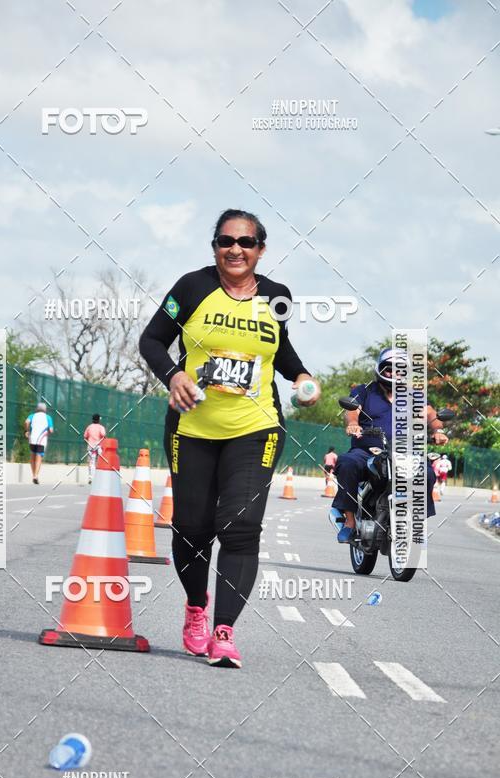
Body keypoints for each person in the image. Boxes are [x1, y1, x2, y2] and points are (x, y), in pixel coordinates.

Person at [139, 208, 319, 668]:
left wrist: (300, 376)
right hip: (192, 428)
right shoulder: (191, 288)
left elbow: (280, 349)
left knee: (240, 527)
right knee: (194, 529)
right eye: (225, 241)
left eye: (245, 242)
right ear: (214, 246)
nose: (234, 249)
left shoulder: (278, 296)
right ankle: (196, 607)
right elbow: (152, 340)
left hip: (254, 427)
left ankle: (224, 632)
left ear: (261, 249)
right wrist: (173, 375)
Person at [331, 348, 449, 542]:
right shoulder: (365, 391)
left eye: (400, 370)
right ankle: (350, 521)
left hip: (406, 452)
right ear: (380, 369)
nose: (395, 373)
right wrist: (353, 423)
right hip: (367, 452)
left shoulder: (414, 396)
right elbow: (352, 410)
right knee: (347, 463)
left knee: (427, 473)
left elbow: (430, 415)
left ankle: (416, 522)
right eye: (389, 369)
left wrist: (437, 430)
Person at [24, 402, 54, 484]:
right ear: (45, 409)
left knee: (32, 456)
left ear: (37, 409)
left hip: (32, 438)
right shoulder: (48, 417)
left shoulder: (32, 415)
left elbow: (26, 422)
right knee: (39, 457)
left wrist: (27, 431)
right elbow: (51, 430)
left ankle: (33, 474)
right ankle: (36, 476)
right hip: (42, 439)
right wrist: (48, 432)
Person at [83, 413, 106, 483]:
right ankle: (99, 477)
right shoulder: (101, 427)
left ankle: (90, 477)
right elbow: (103, 435)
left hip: (90, 446)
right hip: (98, 446)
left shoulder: (89, 427)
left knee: (91, 462)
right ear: (99, 420)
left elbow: (85, 436)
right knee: (100, 461)